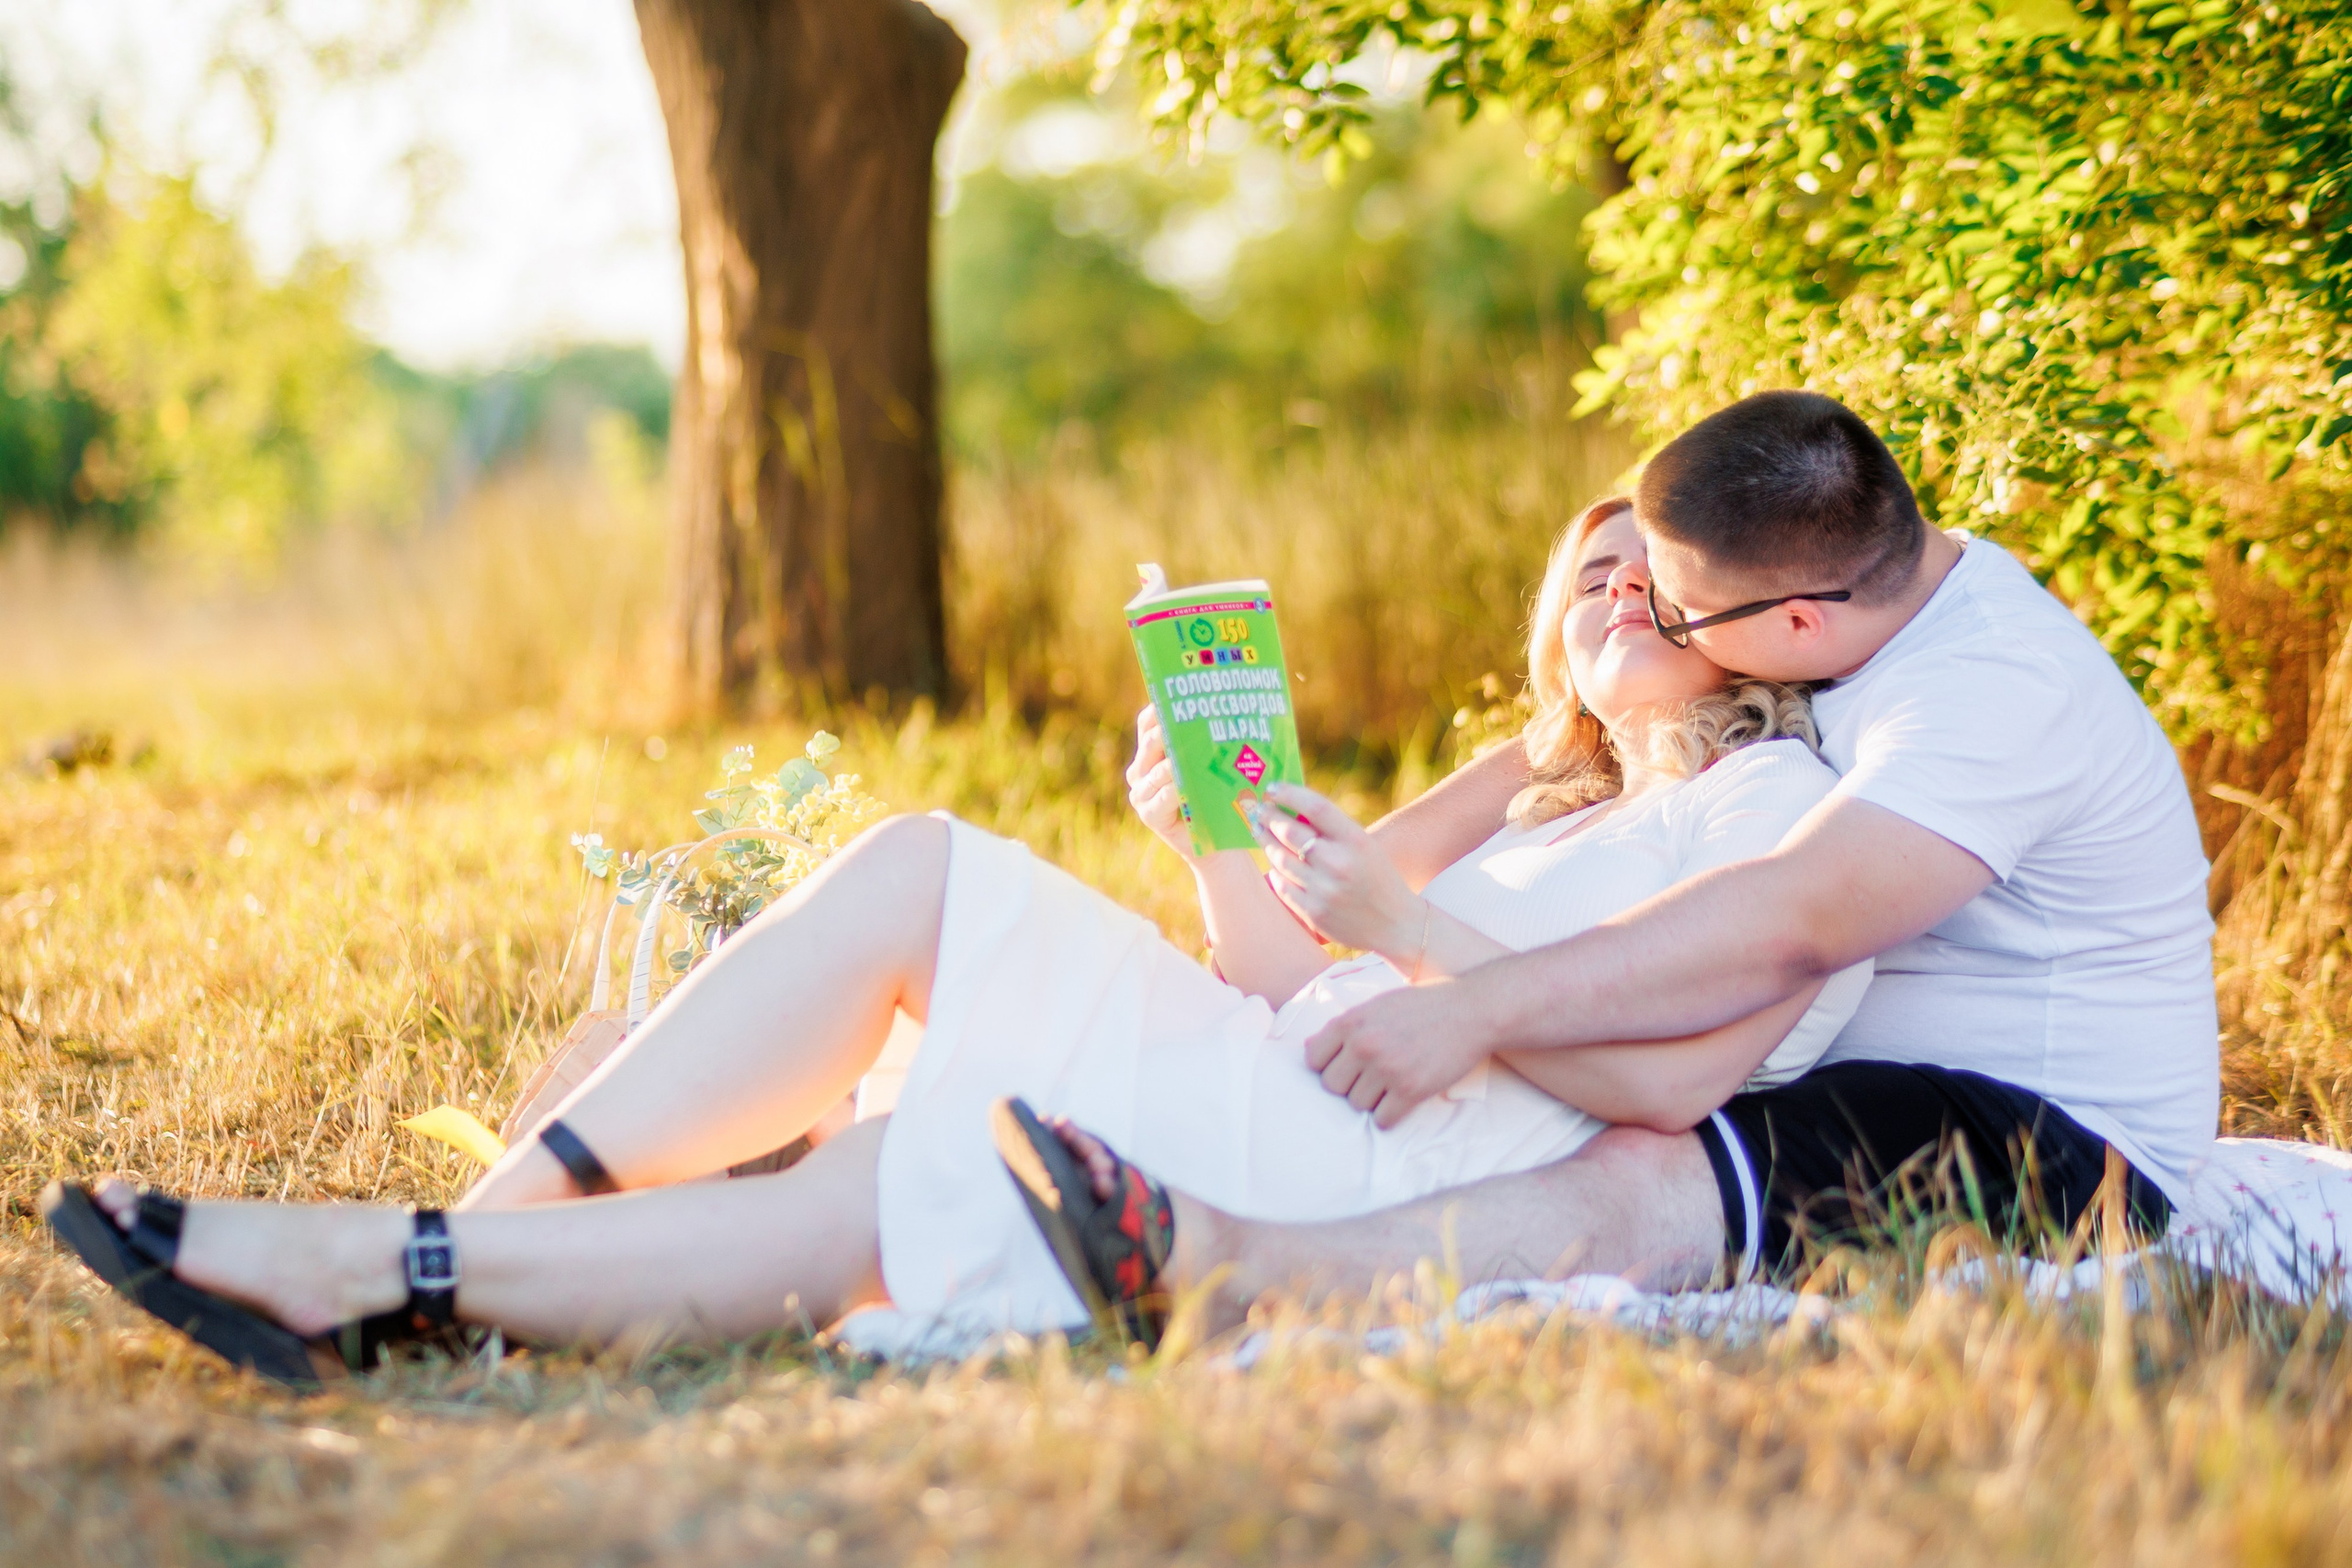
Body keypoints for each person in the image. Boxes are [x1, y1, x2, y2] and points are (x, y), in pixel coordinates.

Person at [42, 495, 1870, 1382]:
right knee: (917, 887)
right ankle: (458, 1255)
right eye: (1585, 568)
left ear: (1737, 614)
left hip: (1410, 1161)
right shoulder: (1527, 798)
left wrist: (1406, 934)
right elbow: (1286, 974)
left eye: (1649, 568)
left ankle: (416, 1268)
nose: (1613, 583)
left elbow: (1669, 1073)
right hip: (1294, 1065)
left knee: (903, 1128)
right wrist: (1214, 843)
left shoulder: (1777, 805)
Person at [1025, 389, 2217, 1334]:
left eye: (1675, 608)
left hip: (2053, 1129)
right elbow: (1398, 864)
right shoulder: (1846, 609)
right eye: (1610, 586)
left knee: (1651, 1172)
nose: (1647, 610)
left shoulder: (1990, 691)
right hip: (1795, 1049)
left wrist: (1472, 1000)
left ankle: (1252, 1278)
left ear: (1793, 628)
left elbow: (1787, 920)